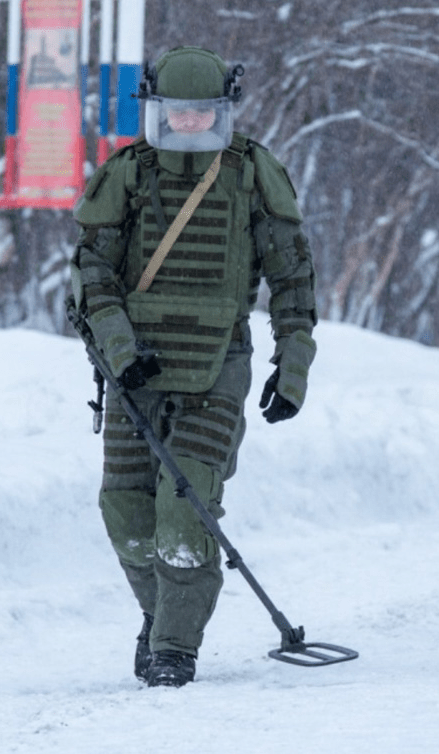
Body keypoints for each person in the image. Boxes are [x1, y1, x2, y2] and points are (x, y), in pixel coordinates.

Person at [69, 46, 317, 687]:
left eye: (199, 113)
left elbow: (292, 280)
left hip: (217, 368)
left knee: (185, 511)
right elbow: (91, 274)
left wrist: (293, 367)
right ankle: (159, 620)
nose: (186, 124)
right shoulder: (125, 174)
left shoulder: (254, 173)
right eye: (174, 113)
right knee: (125, 509)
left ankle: (175, 647)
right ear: (154, 110)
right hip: (135, 373)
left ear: (221, 111)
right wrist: (122, 352)